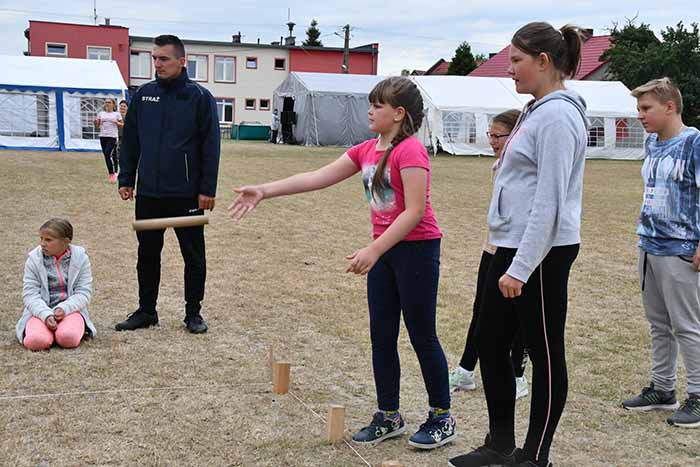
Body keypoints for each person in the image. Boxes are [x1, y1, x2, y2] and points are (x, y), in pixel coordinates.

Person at [229, 76, 456, 450]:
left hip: (416, 250)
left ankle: (441, 417)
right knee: (381, 334)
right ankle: (389, 416)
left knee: (422, 335)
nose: (370, 110)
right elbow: (317, 177)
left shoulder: (410, 151)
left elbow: (414, 212)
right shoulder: (367, 149)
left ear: (399, 114)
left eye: (378, 105)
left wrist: (374, 250)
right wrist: (265, 191)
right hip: (383, 251)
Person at [448, 22, 588, 467]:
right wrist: (502, 250)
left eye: (516, 60)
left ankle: (534, 455)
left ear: (543, 61)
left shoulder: (560, 115)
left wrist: (521, 267)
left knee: (544, 352)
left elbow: (549, 200)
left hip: (542, 252)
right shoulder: (535, 109)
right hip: (510, 245)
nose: (509, 70)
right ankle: (500, 444)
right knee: (490, 343)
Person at [116, 34, 220, 334]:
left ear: (182, 61)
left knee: (194, 256)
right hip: (149, 192)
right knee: (147, 254)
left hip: (186, 194)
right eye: (154, 58)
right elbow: (131, 140)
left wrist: (206, 189)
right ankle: (147, 311)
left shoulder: (200, 98)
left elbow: (210, 147)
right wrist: (127, 178)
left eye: (163, 59)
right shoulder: (143, 96)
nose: (157, 64)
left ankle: (193, 314)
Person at [621, 78, 700, 429]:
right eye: (639, 109)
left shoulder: (694, 143)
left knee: (687, 326)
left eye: (646, 108)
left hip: (681, 249)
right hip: (650, 246)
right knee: (659, 324)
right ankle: (663, 388)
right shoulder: (652, 144)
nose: (640, 116)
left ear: (670, 107)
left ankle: (697, 395)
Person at [449, 109, 530, 400]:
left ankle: (518, 375)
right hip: (493, 246)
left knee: (519, 315)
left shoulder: (525, 168)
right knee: (481, 308)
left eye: (498, 136)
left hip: (519, 250)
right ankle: (466, 370)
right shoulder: (499, 166)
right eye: (490, 135)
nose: (493, 141)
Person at [16, 218, 96, 350]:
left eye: (48, 240)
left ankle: (65, 330)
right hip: (39, 312)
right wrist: (45, 314)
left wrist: (64, 309)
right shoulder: (33, 260)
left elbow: (83, 293)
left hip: (71, 311)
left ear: (66, 241)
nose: (42, 244)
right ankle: (43, 332)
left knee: (68, 338)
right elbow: (30, 295)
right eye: (41, 239)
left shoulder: (81, 259)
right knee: (36, 342)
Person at [95, 98, 123, 183]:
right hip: (103, 136)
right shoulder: (101, 114)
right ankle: (113, 172)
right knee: (107, 155)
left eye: (109, 102)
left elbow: (122, 125)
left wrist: (116, 123)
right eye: (106, 102)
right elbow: (97, 126)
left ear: (113, 104)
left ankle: (112, 174)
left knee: (108, 153)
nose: (107, 104)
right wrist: (96, 122)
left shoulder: (116, 114)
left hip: (112, 136)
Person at [115, 99, 128, 171]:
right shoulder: (115, 116)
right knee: (117, 154)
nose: (122, 107)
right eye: (121, 106)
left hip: (126, 137)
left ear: (127, 108)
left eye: (124, 106)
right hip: (116, 136)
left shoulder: (129, 117)